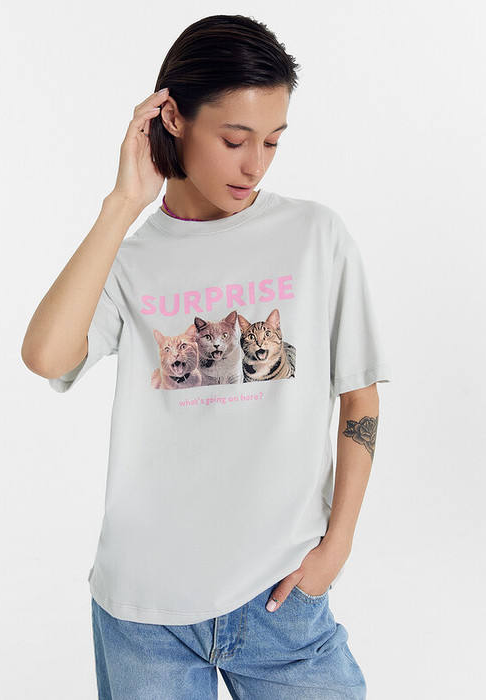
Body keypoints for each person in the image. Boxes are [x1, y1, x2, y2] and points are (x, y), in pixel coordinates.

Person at [22, 14, 392, 700]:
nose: (255, 164)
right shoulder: (129, 258)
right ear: (173, 119)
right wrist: (122, 204)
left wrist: (335, 547)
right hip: (144, 612)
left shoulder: (314, 236)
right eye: (234, 139)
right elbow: (46, 356)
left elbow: (360, 397)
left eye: (272, 141)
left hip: (282, 598)